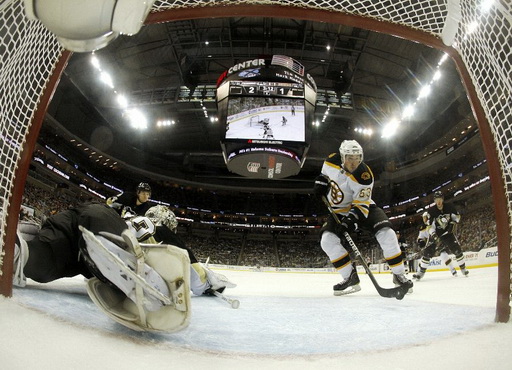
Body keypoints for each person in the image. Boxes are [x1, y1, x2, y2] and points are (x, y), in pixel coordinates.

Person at [12, 202, 235, 332]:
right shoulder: (161, 230)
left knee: (40, 264)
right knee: (154, 286)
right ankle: (132, 267)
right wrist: (209, 282)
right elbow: (192, 274)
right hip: (103, 227)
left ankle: (20, 246)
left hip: (77, 227)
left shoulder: (126, 215)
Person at [313, 140, 413, 296]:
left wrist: (350, 222)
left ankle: (399, 275)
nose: (353, 163)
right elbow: (324, 174)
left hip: (363, 207)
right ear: (341, 156)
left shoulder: (364, 175)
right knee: (327, 241)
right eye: (349, 158)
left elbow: (361, 206)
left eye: (357, 157)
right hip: (338, 210)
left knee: (388, 233)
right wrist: (320, 181)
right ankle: (350, 277)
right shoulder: (331, 160)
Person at [420, 191, 469, 277]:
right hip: (436, 234)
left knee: (457, 250)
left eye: (440, 199)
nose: (438, 201)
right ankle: (420, 273)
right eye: (436, 200)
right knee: (427, 252)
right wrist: (434, 235)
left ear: (442, 199)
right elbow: (429, 226)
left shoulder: (449, 207)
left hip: (448, 233)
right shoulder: (431, 211)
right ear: (434, 201)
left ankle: (463, 269)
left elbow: (456, 218)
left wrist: (452, 224)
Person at [413, 211, 458, 280]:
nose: (424, 220)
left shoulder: (435, 223)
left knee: (443, 254)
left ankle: (453, 270)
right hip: (431, 243)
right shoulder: (423, 227)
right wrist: (421, 241)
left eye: (425, 218)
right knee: (426, 257)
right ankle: (420, 273)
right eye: (423, 218)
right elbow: (420, 237)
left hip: (439, 241)